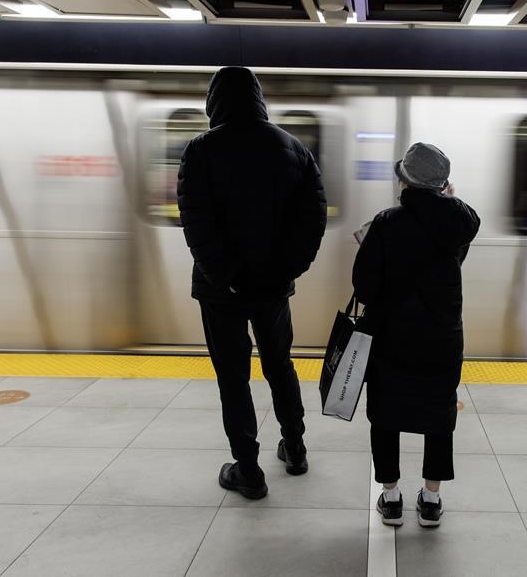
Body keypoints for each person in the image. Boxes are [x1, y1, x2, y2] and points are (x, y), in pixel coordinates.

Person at [177, 67, 327, 500]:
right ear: (259, 98)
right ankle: (295, 447)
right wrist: (287, 270)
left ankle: (248, 469)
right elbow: (312, 218)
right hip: (273, 286)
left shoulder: (201, 150)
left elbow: (196, 221)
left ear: (213, 102)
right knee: (279, 364)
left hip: (219, 290)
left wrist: (227, 277)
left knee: (233, 377)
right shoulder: (293, 148)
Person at [353, 143, 480, 528]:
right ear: (443, 184)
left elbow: (363, 285)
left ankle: (390, 498)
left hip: (392, 336)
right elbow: (450, 255)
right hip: (441, 336)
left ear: (404, 180)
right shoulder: (461, 221)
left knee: (386, 414)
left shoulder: (386, 222)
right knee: (439, 414)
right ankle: (431, 500)